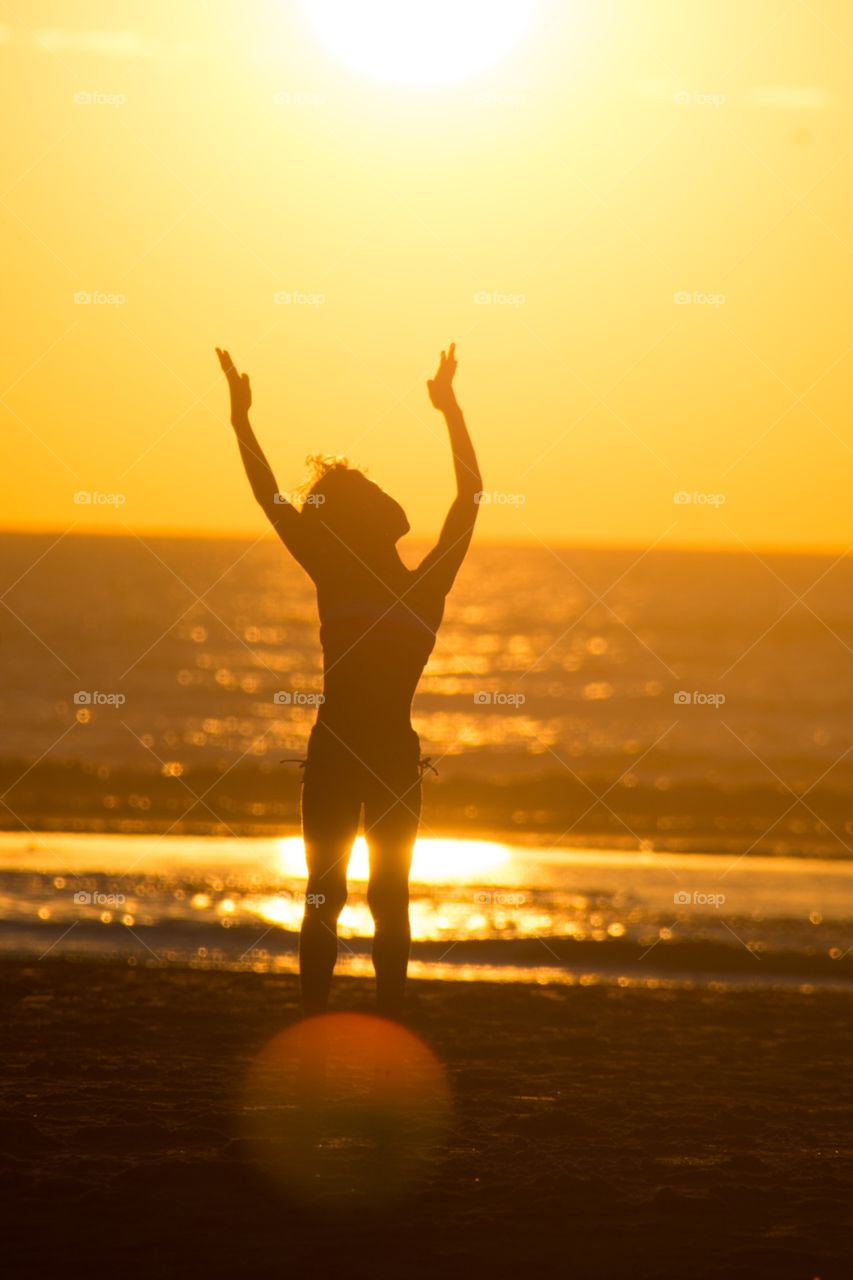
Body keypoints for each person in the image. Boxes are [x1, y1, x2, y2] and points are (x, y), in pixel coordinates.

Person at [216, 343, 481, 1017]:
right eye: (369, 492)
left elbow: (471, 494)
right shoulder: (338, 575)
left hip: (391, 753)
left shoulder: (425, 587)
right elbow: (268, 495)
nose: (386, 495)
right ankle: (313, 1021)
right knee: (323, 894)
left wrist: (450, 408)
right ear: (360, 519)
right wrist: (240, 419)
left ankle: (388, 1023)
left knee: (388, 898)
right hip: (339, 751)